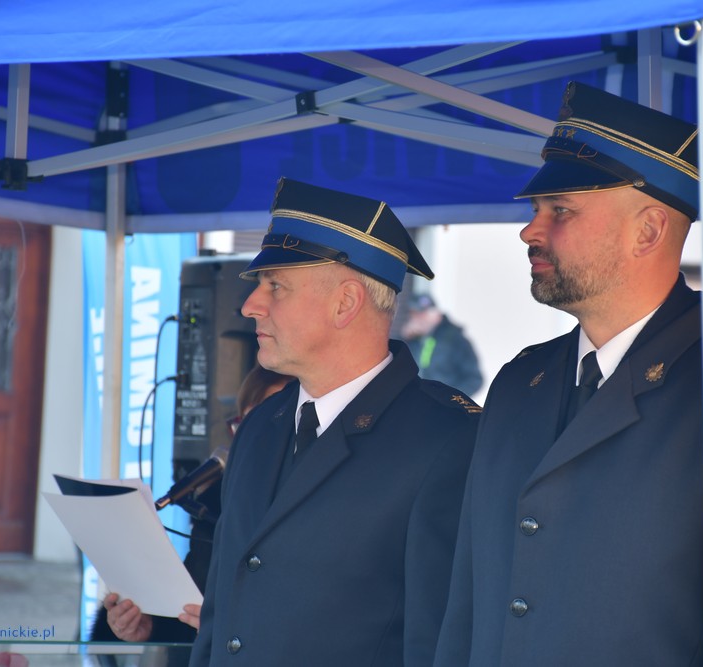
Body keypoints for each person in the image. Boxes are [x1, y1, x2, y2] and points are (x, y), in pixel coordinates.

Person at [432, 81, 703, 666]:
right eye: (535, 210)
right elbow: (467, 609)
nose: (530, 230)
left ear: (648, 231)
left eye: (560, 210)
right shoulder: (518, 383)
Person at [185, 177, 479, 666]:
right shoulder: (262, 425)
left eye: (275, 286)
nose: (250, 305)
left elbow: (441, 642)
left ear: (345, 303)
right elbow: (221, 618)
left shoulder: (447, 441)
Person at [93, 364, 291, 645]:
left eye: (270, 425)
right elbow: (193, 607)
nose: (253, 441)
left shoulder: (320, 505)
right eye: (244, 426)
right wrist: (148, 626)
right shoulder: (216, 505)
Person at [401, 293, 483, 396]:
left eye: (423, 314)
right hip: (416, 401)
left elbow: (474, 380)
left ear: (436, 314)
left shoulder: (455, 339)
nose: (418, 319)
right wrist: (404, 339)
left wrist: (450, 398)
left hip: (441, 403)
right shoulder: (412, 340)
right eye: (414, 314)